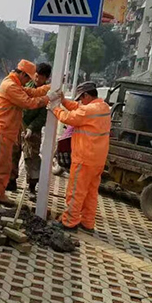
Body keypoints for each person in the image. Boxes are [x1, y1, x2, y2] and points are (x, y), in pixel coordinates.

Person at [0, 59, 61, 214]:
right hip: (1, 133)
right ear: (23, 74)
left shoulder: (16, 83)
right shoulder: (10, 86)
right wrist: (49, 98)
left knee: (5, 168)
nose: (29, 82)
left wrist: (50, 88)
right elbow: (29, 102)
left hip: (8, 133)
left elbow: (32, 92)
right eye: (28, 78)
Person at [49, 81, 111, 232]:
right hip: (97, 160)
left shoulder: (88, 111)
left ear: (87, 95)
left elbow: (69, 118)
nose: (80, 102)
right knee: (90, 193)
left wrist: (55, 108)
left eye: (81, 98)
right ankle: (87, 223)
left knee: (75, 192)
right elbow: (78, 108)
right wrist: (63, 101)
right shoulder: (103, 107)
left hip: (84, 158)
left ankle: (69, 222)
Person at [8, 63, 52, 198]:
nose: (38, 80)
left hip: (34, 129)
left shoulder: (48, 92)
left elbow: (43, 115)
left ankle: (32, 187)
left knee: (31, 157)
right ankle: (11, 182)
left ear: (47, 78)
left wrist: (31, 128)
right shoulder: (25, 86)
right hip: (18, 125)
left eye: (41, 78)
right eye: (37, 76)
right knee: (13, 154)